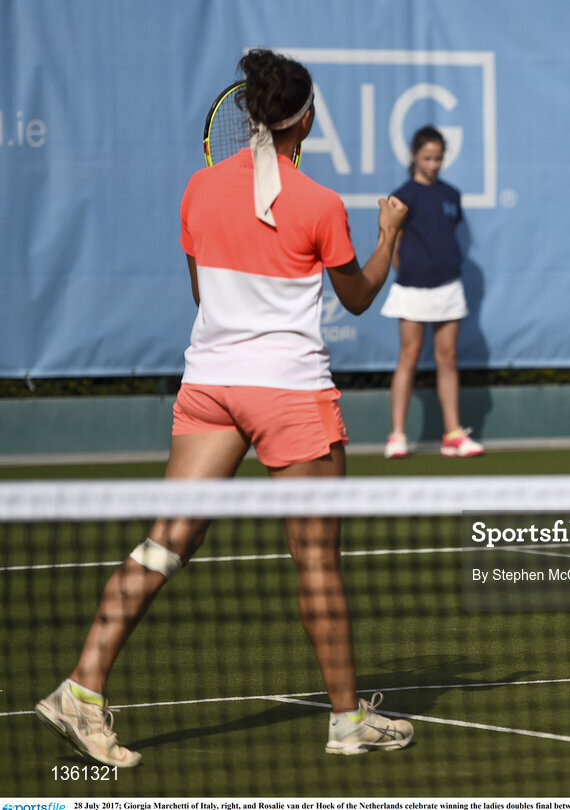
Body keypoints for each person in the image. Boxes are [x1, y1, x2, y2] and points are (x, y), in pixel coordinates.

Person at [35, 49, 413, 766]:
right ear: (307, 119)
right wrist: (389, 232)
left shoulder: (198, 189)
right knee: (316, 561)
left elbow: (203, 296)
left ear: (250, 116)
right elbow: (359, 298)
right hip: (290, 394)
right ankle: (346, 723)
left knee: (164, 543)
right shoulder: (322, 205)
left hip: (209, 385)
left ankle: (81, 689)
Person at [379, 125, 484, 459]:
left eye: (438, 158)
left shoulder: (451, 195)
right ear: (414, 156)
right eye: (427, 158)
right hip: (411, 288)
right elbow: (391, 242)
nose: (434, 164)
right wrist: (408, 269)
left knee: (448, 357)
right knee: (408, 356)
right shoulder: (402, 196)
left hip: (448, 286)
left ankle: (452, 434)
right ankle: (397, 434)